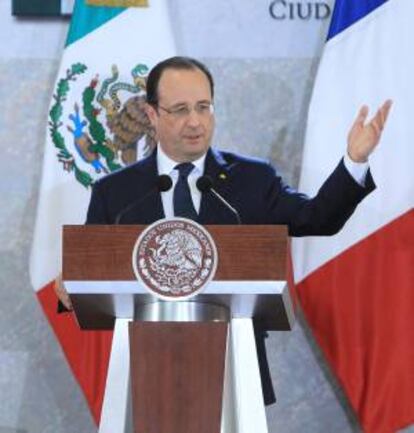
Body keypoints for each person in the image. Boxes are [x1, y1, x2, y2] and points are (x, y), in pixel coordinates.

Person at [55, 56, 392, 403]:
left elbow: (317, 218)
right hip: (144, 372)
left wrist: (355, 161)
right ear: (153, 115)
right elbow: (92, 275)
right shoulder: (117, 192)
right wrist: (71, 287)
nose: (195, 122)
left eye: (204, 107)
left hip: (236, 367)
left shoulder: (252, 179)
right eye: (181, 109)